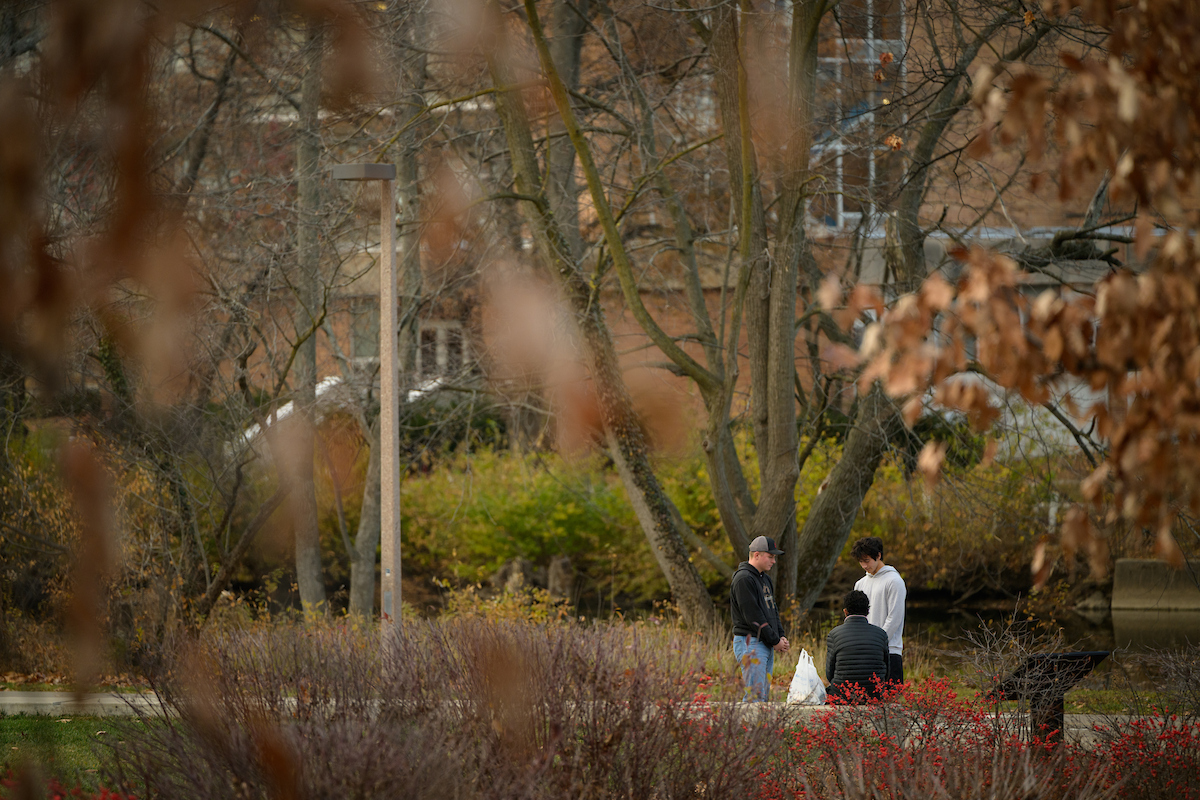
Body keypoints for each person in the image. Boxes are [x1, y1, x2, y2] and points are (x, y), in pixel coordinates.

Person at [730, 535, 790, 702]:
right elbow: (753, 617)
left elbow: (772, 610)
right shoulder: (743, 579)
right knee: (755, 698)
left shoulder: (765, 579)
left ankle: (759, 729)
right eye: (770, 557)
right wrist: (774, 640)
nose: (774, 561)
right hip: (750, 643)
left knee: (762, 697)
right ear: (756, 555)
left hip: (764, 642)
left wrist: (780, 636)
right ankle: (745, 728)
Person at [851, 536, 907, 683]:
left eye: (867, 560)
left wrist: (876, 644)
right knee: (864, 703)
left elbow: (894, 618)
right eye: (861, 562)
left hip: (889, 652)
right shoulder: (860, 584)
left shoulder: (894, 581)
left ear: (878, 556)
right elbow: (855, 619)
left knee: (890, 703)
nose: (864, 565)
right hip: (865, 653)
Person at [824, 589, 890, 703]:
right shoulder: (881, 634)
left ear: (845, 611)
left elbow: (829, 673)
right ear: (868, 611)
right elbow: (887, 670)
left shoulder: (834, 634)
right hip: (874, 695)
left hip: (842, 695)